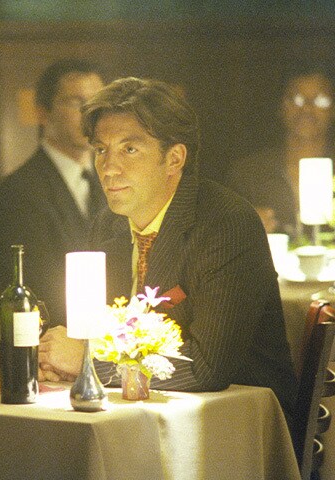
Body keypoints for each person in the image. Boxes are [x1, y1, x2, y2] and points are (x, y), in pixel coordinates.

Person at [38, 77, 298, 417]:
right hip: (139, 413)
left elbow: (206, 368)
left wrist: (89, 363)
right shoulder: (108, 226)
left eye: (129, 149)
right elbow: (92, 335)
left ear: (174, 158)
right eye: (101, 150)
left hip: (240, 420)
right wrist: (61, 361)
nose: (109, 168)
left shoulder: (224, 223)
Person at [0, 59, 106, 329]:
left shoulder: (113, 181)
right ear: (43, 113)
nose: (90, 114)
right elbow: (35, 285)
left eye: (97, 102)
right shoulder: (18, 191)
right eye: (76, 102)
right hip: (54, 335)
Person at [227, 68, 334, 239]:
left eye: (321, 101)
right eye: (296, 99)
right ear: (281, 106)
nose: (307, 109)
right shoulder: (249, 173)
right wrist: (243, 224)